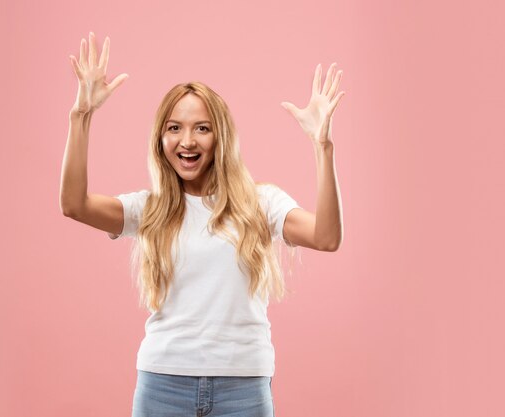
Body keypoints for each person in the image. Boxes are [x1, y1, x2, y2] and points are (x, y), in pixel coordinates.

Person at [60, 31, 344, 417]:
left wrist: (322, 146)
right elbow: (74, 205)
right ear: (161, 139)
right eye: (174, 128)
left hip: (243, 388)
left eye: (202, 128)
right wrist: (81, 115)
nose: (187, 141)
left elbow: (326, 237)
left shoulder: (261, 203)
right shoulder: (151, 208)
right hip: (162, 384)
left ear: (220, 137)